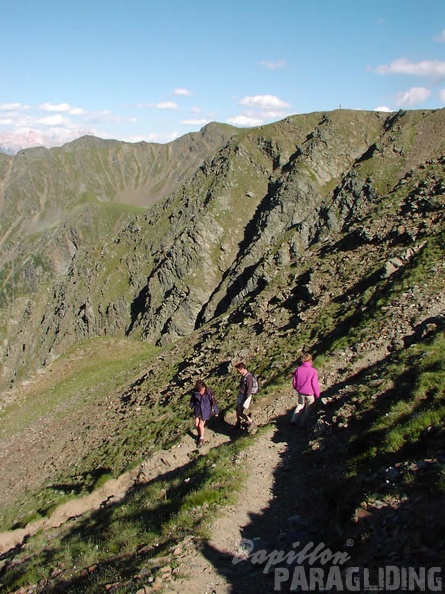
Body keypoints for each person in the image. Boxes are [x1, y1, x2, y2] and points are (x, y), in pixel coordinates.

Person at [291, 353, 320, 427]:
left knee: (300, 405)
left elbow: (294, 381)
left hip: (300, 392)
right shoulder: (313, 371)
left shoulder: (298, 369)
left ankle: (293, 420)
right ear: (310, 360)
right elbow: (315, 384)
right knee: (308, 408)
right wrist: (317, 394)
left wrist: (296, 388)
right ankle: (302, 423)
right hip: (309, 393)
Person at [189, 379, 218, 447]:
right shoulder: (195, 392)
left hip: (205, 410)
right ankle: (200, 434)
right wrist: (191, 406)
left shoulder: (209, 392)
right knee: (196, 424)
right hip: (198, 409)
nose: (201, 391)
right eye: (200, 390)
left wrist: (216, 411)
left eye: (202, 389)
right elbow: (192, 400)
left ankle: (201, 439)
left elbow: (213, 401)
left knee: (200, 425)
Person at [235, 362, 254, 429]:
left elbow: (249, 389)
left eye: (238, 370)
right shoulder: (244, 376)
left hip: (243, 396)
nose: (238, 372)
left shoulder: (248, 377)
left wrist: (245, 398)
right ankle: (238, 422)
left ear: (242, 369)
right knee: (237, 409)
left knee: (239, 412)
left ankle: (251, 422)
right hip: (241, 395)